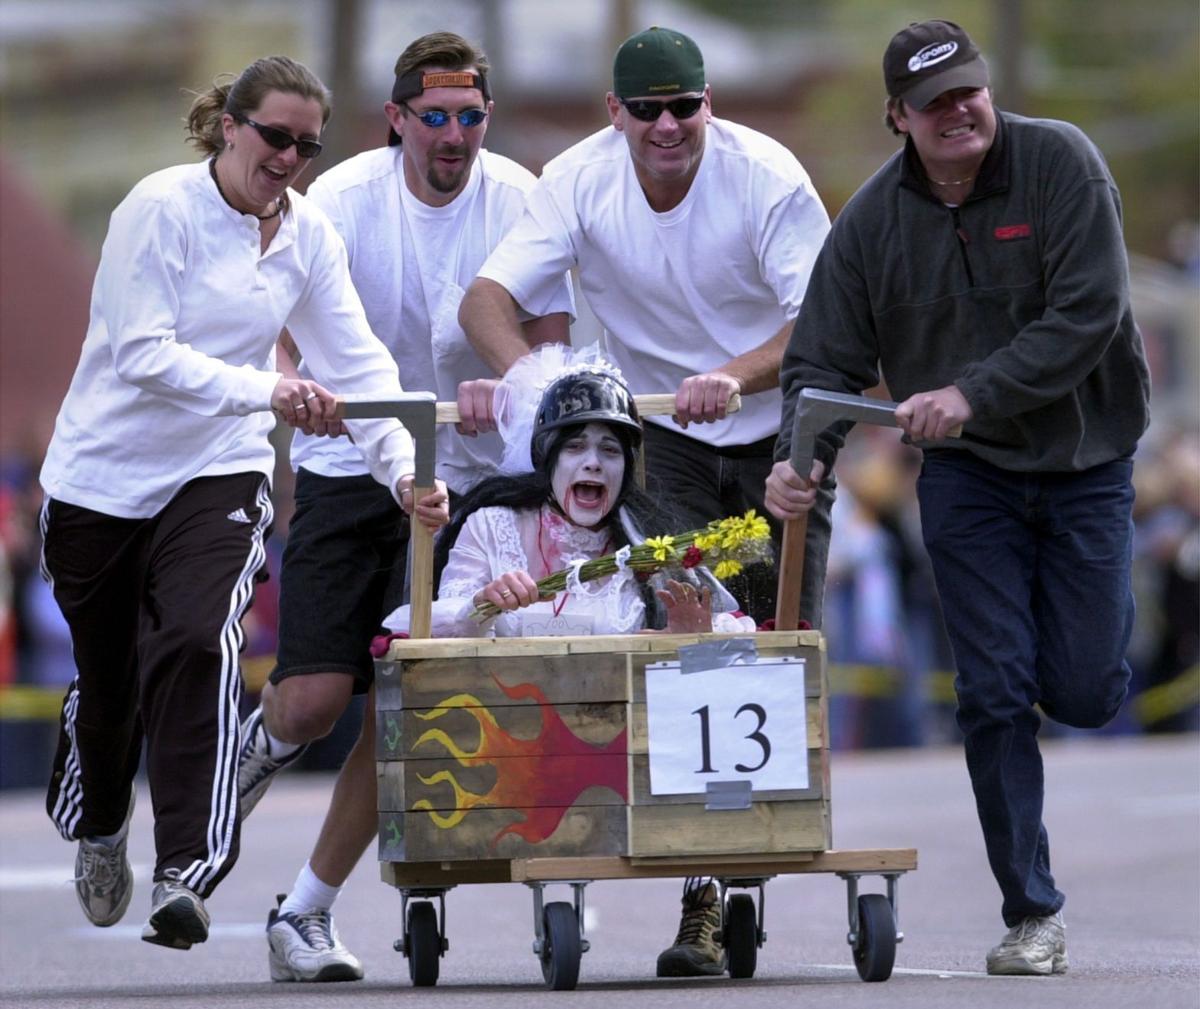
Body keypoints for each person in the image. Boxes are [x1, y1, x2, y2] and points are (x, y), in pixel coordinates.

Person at [37, 55, 447, 952]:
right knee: (112, 688)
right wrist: (266, 389)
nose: (290, 158)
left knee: (197, 639)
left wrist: (403, 469)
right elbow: (142, 353)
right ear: (231, 125)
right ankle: (103, 825)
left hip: (218, 472)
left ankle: (187, 868)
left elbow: (356, 359)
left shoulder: (307, 235)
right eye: (275, 137)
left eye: (307, 143)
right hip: (102, 479)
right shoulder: (159, 209)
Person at [766, 20, 1150, 976]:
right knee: (990, 692)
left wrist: (969, 390)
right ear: (899, 117)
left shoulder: (1063, 163)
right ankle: (1034, 912)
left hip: (1084, 460)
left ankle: (1083, 674)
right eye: (934, 102)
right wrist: (796, 461)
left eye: (968, 91)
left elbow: (1090, 310)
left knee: (1086, 688)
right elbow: (819, 362)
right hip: (970, 478)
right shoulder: (871, 226)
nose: (960, 111)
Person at [233, 34, 573, 982]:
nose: (454, 135)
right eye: (435, 117)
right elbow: (276, 329)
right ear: (397, 120)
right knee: (308, 703)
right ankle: (259, 744)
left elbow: (547, 341)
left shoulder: (519, 200)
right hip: (350, 468)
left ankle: (304, 910)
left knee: (410, 701)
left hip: (463, 485)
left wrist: (506, 388)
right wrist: (301, 390)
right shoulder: (336, 201)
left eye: (471, 116)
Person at [459, 25, 834, 635]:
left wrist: (731, 376)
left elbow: (822, 325)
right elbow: (484, 302)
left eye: (684, 106)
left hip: (777, 438)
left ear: (708, 103)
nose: (667, 125)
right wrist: (539, 385)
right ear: (615, 111)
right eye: (645, 109)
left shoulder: (767, 177)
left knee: (784, 639)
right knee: (679, 631)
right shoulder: (576, 179)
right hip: (665, 437)